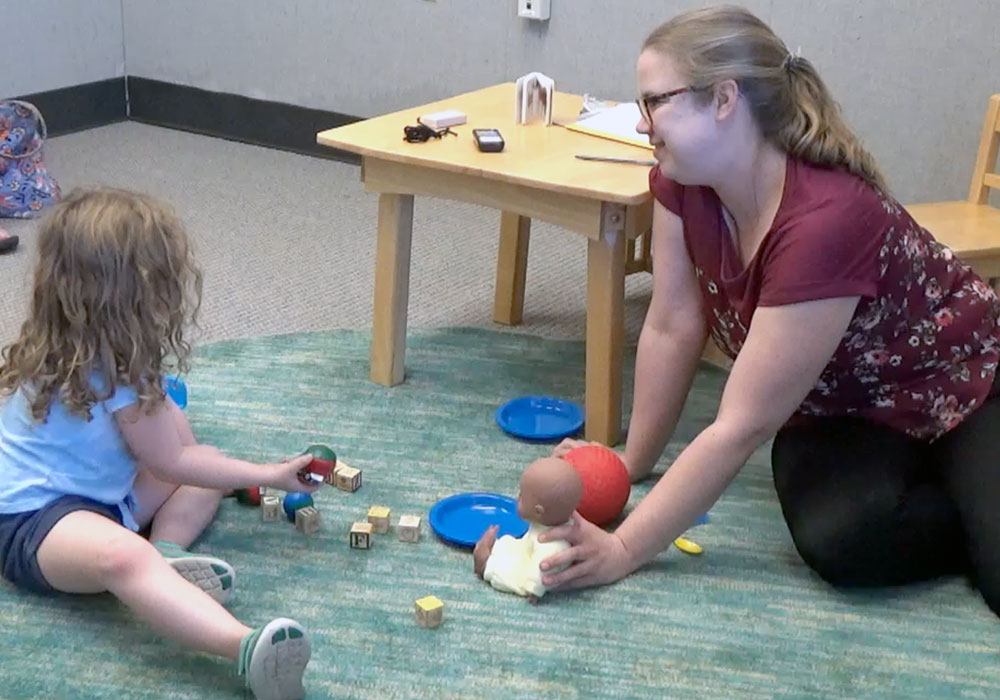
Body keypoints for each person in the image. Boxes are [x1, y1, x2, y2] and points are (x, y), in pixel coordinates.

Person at [535, 5, 1000, 619]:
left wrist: (622, 548)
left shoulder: (827, 218)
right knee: (843, 544)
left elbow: (740, 426)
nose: (644, 123)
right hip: (841, 407)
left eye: (656, 102)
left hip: (965, 384)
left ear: (725, 99)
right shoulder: (681, 181)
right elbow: (674, 323)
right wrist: (630, 465)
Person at [0, 187, 321, 700]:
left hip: (107, 497)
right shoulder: (106, 369)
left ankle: (167, 554)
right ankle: (247, 648)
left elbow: (183, 455)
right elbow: (171, 460)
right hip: (31, 523)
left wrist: (233, 461)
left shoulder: (117, 358)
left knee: (210, 469)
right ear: (127, 295)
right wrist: (269, 475)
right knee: (123, 558)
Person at [474, 456, 581, 601]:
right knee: (509, 543)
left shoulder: (553, 547)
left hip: (530, 570)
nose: (517, 499)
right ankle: (495, 547)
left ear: (538, 511)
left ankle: (485, 565)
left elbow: (539, 574)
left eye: (522, 498)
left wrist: (534, 591)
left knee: (511, 575)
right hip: (528, 551)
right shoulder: (549, 522)